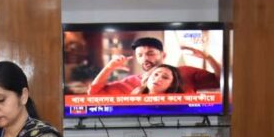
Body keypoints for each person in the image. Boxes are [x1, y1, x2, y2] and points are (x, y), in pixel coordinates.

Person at [88, 36, 221, 95]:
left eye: (150, 53)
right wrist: (109, 68)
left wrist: (209, 58)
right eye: (140, 55)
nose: (145, 58)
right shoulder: (130, 82)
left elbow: (223, 82)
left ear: (163, 55)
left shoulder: (186, 72)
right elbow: (94, 94)